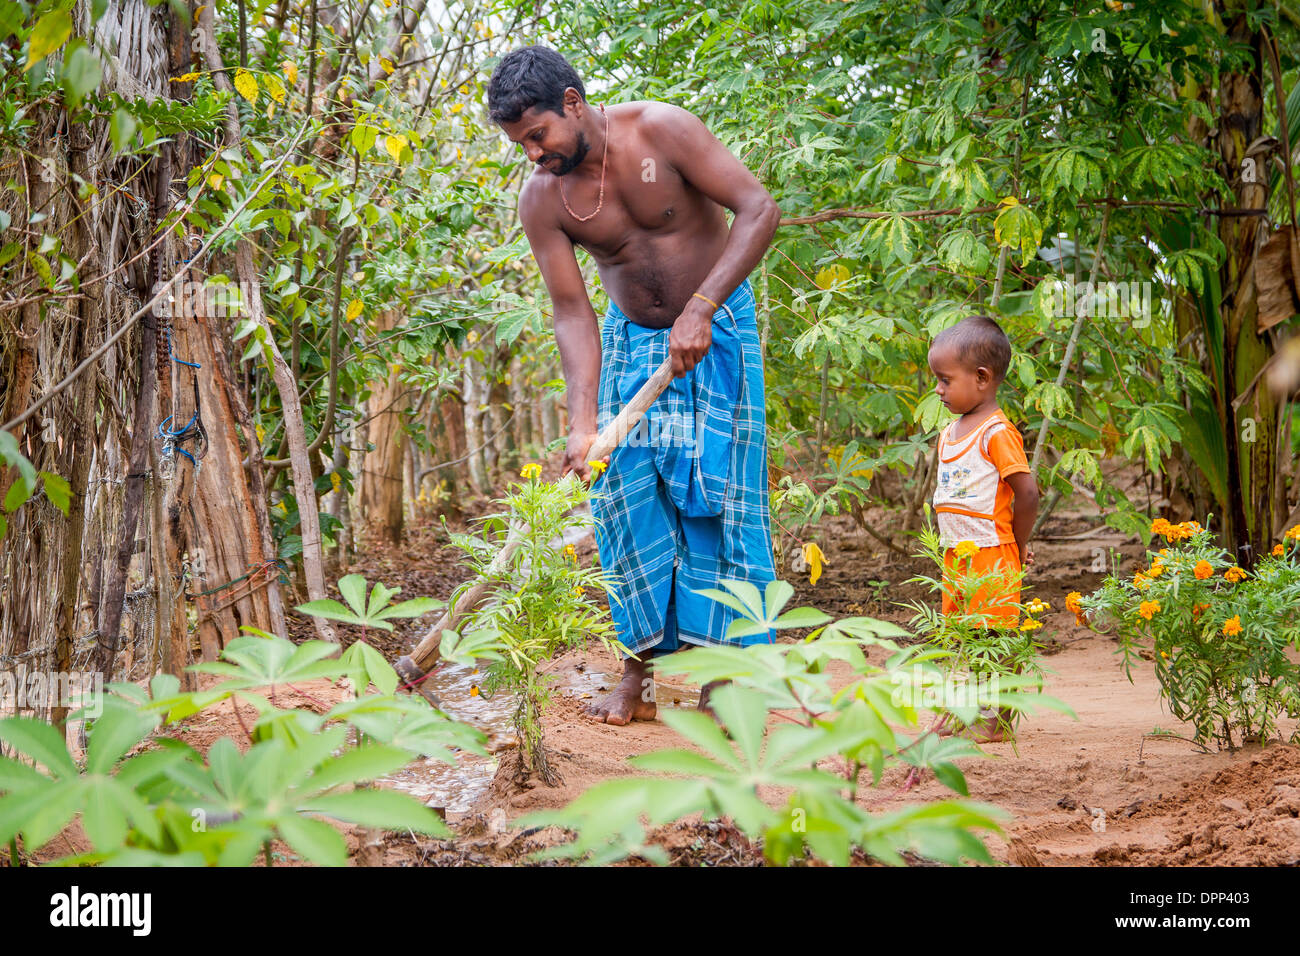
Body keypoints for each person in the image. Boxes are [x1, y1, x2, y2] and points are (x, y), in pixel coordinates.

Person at [486, 45, 782, 725]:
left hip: (718, 329)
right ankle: (643, 673)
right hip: (631, 342)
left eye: (538, 136)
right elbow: (571, 312)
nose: (533, 154)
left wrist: (703, 307)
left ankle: (728, 675)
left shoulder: (661, 132)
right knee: (622, 500)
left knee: (719, 498)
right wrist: (582, 424)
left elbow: (758, 209)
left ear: (572, 102)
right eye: (520, 145)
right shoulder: (543, 199)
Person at [927, 315, 1039, 742]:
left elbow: (1027, 494)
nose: (938, 390)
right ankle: (976, 707)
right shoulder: (948, 434)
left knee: (996, 631)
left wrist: (1018, 544)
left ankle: (1001, 716)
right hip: (957, 553)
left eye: (944, 380)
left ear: (981, 378)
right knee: (969, 634)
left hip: (992, 551)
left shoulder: (997, 432)